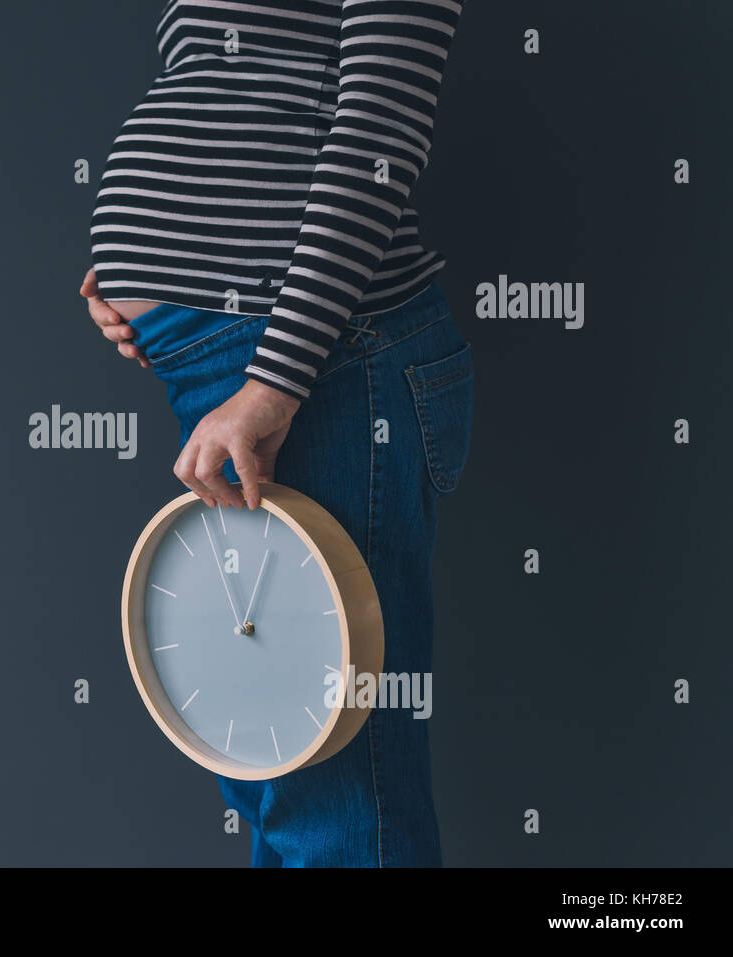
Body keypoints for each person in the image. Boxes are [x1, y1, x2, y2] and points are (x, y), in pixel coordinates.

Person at [82, 0, 471, 866]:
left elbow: (383, 119)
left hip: (324, 364)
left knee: (337, 784)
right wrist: (143, 257)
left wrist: (276, 382)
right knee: (273, 768)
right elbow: (236, 83)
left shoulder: (288, 378)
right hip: (234, 364)